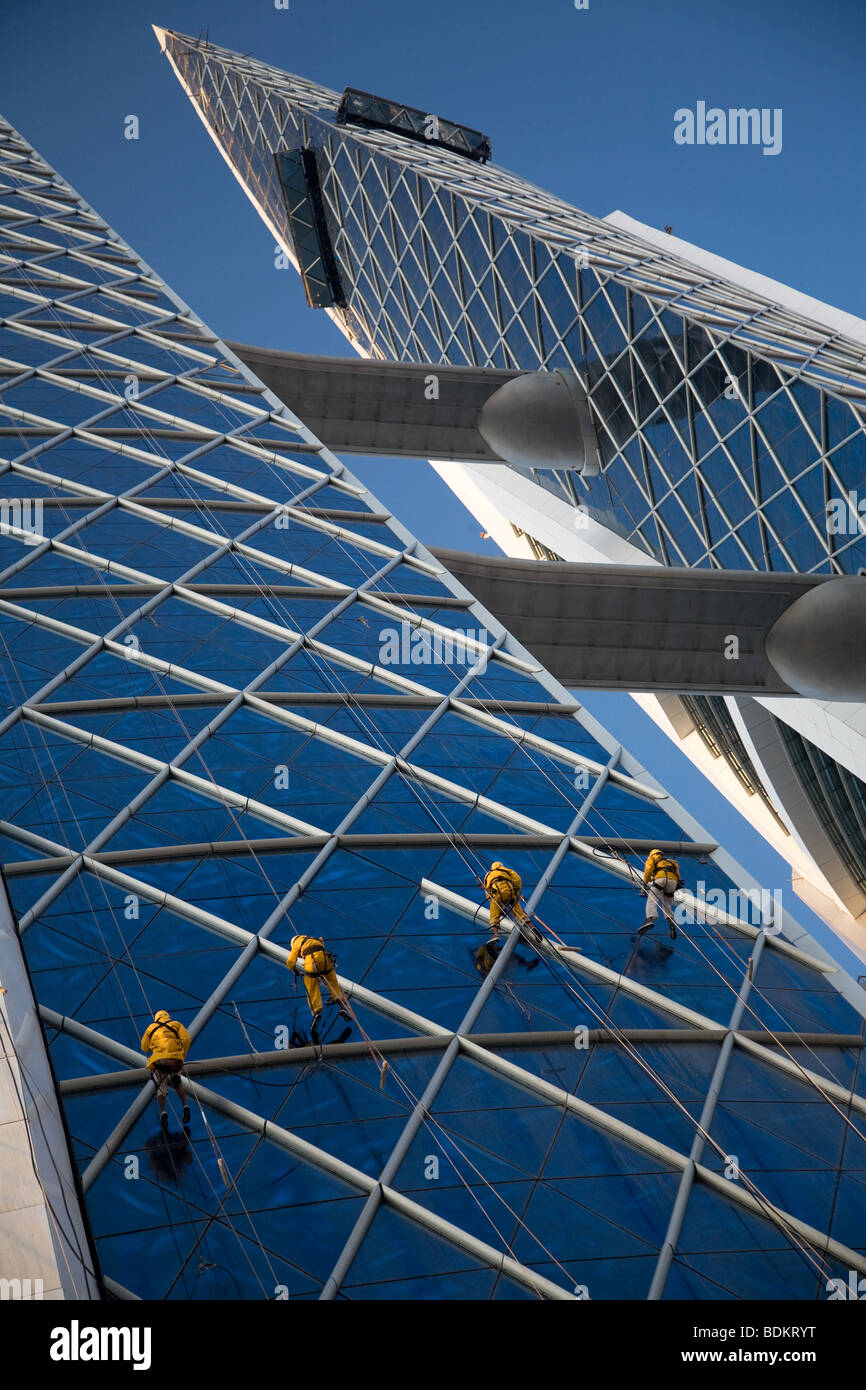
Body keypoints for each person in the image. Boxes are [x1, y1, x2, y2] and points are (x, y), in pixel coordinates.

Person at [286, 934, 351, 1041]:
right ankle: (342, 1006)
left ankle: (316, 1012)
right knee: (333, 982)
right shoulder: (316, 940)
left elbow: (290, 962)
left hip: (312, 963)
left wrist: (295, 971)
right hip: (325, 961)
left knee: (311, 986)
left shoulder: (296, 943)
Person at [141, 1010, 191, 1131]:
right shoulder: (176, 1024)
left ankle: (163, 1112)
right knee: (177, 1081)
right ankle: (185, 1105)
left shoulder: (151, 1027)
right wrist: (181, 1056)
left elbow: (144, 1047)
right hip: (174, 1058)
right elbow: (186, 1039)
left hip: (159, 1060)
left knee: (161, 1086)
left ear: (156, 1018)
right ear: (168, 1016)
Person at [639, 849, 683, 938]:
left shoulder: (652, 858)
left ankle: (649, 921)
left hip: (660, 879)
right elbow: (678, 874)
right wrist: (677, 883)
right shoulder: (671, 862)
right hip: (672, 882)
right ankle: (671, 923)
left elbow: (648, 870)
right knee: (667, 905)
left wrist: (644, 885)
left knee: (652, 900)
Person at [483, 862, 532, 937]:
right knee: (517, 909)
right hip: (510, 891)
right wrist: (517, 891)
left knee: (494, 913)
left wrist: (491, 900)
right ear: (501, 866)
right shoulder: (506, 870)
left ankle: (496, 934)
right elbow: (517, 879)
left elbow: (487, 890)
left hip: (497, 894)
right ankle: (530, 926)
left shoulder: (488, 874)